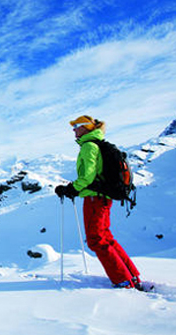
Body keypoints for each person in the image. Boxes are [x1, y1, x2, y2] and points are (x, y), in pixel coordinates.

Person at [55, 115, 142, 290]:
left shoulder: (89, 146)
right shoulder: (96, 144)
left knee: (96, 240)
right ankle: (131, 275)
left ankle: (123, 281)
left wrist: (72, 189)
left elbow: (87, 177)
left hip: (95, 199)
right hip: (103, 198)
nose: (73, 129)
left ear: (86, 128)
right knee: (106, 237)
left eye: (77, 125)